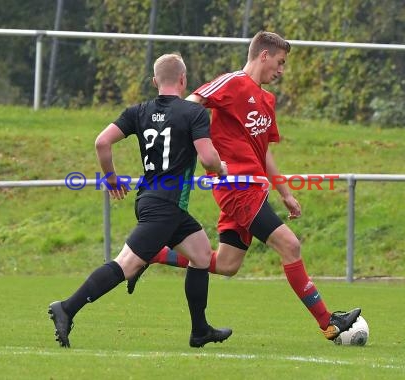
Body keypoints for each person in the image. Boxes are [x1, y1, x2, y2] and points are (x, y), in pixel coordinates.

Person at [127, 31, 361, 341]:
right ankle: (328, 322)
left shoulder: (267, 100)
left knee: (226, 264)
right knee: (290, 245)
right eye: (279, 62)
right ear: (263, 55)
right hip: (235, 187)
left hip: (256, 188)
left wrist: (286, 193)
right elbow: (188, 106)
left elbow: (264, 152)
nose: (281, 70)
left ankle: (154, 254)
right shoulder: (233, 82)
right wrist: (187, 147)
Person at [48, 53, 232, 349]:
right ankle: (67, 308)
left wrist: (111, 178)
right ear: (183, 80)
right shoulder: (193, 113)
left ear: (155, 81)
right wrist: (219, 169)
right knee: (126, 265)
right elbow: (209, 158)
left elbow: (102, 142)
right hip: (164, 207)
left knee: (200, 255)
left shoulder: (138, 111)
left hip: (157, 202)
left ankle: (200, 331)